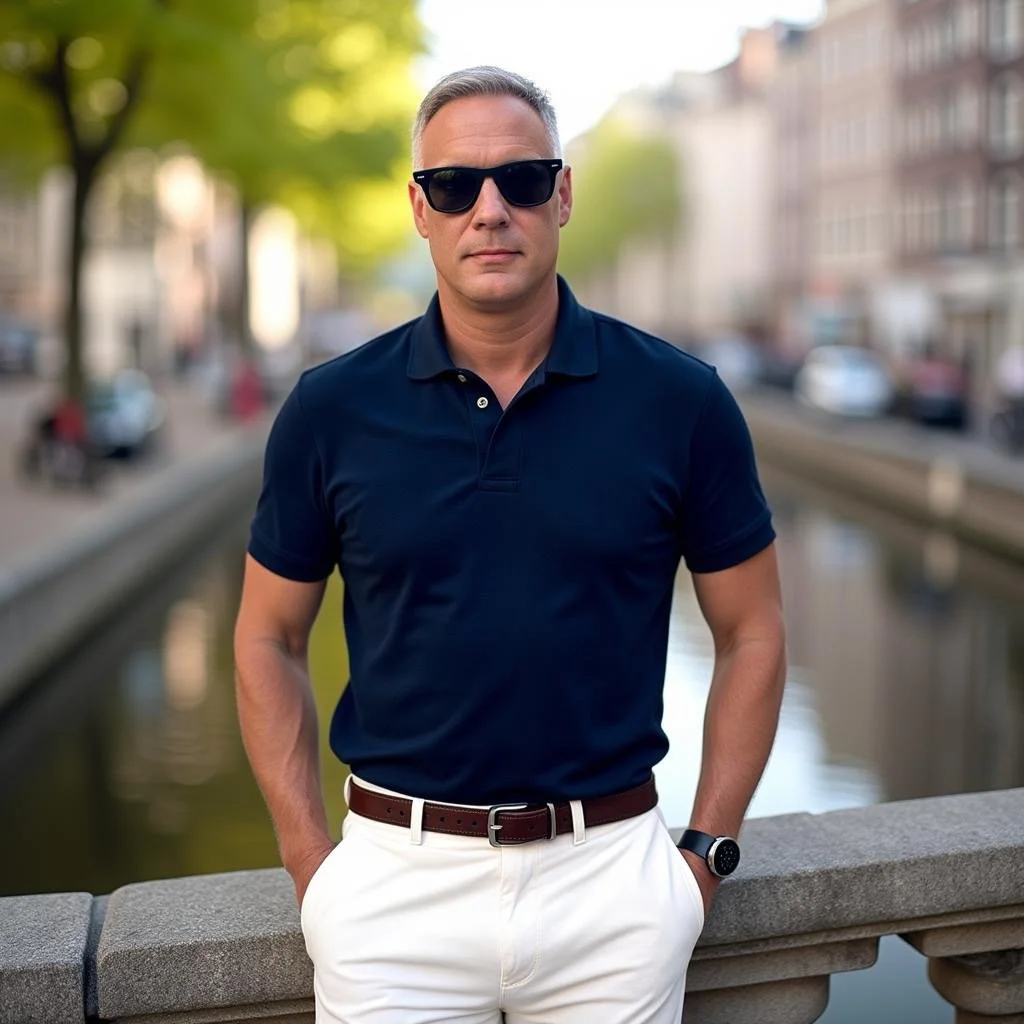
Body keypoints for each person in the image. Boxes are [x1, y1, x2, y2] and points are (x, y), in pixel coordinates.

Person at [234, 66, 786, 1023]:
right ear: (420, 209)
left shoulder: (681, 401)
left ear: (562, 195)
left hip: (613, 882)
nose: (490, 210)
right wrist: (310, 864)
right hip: (391, 896)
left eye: (522, 181)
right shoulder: (330, 411)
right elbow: (265, 638)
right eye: (455, 186)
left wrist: (704, 855)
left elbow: (754, 634)